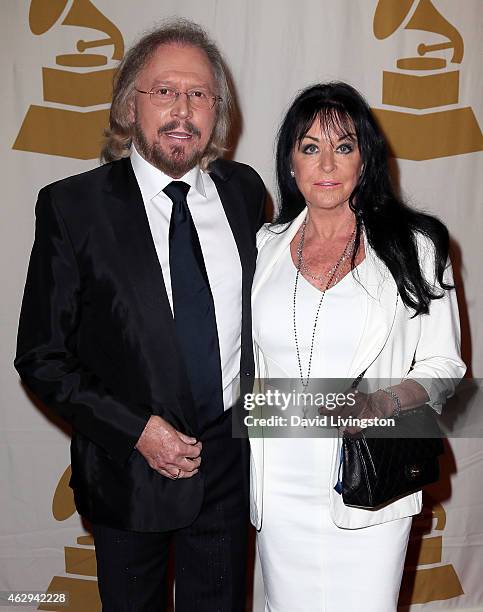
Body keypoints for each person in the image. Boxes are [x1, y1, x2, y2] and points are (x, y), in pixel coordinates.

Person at [15, 19, 265, 612]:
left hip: (231, 467)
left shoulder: (245, 192)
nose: (182, 109)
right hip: (127, 473)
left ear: (217, 113)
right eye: (164, 91)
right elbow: (41, 356)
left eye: (198, 94)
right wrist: (137, 432)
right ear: (130, 105)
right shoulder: (72, 207)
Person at [249, 82, 466, 611]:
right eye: (310, 147)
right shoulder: (265, 247)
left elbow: (446, 366)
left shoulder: (415, 246)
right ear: (291, 162)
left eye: (344, 146)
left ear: (365, 159)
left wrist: (381, 403)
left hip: (370, 480)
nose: (327, 163)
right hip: (280, 487)